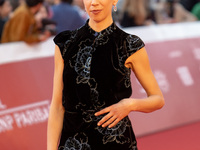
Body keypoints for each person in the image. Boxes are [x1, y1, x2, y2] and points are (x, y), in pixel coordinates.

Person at [47, 0, 165, 149]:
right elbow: (57, 106)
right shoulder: (65, 43)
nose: (94, 3)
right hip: (73, 142)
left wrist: (130, 104)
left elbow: (158, 99)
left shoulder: (129, 44)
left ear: (114, 1)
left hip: (115, 142)